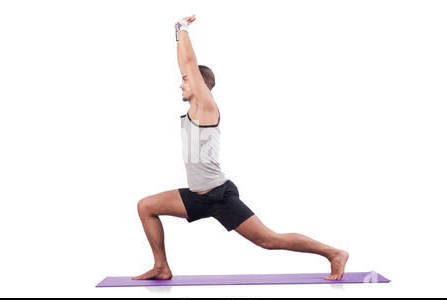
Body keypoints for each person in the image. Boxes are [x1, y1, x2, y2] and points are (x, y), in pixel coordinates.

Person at [132, 15, 348, 281]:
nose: (181, 83)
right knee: (146, 206)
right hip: (197, 195)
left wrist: (183, 29)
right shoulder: (192, 109)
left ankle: (333, 253)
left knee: (269, 240)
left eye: (186, 81)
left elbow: (188, 64)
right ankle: (161, 267)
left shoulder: (206, 107)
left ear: (200, 85)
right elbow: (185, 66)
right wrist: (177, 33)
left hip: (218, 196)